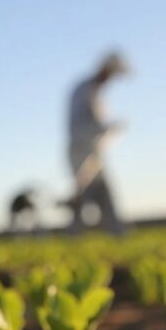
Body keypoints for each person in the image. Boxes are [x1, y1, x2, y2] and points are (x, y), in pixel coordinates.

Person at [66, 51, 129, 235]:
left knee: (103, 194)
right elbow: (82, 124)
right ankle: (75, 236)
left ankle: (117, 233)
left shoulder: (95, 92)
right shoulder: (85, 90)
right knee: (84, 195)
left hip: (93, 153)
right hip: (82, 152)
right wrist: (108, 127)